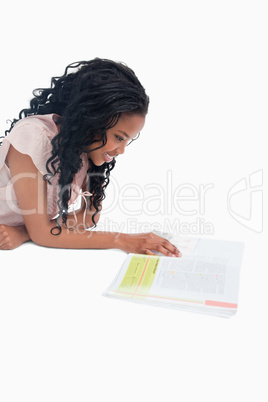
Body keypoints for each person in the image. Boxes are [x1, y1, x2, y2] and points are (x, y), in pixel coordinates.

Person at [0, 58, 181, 257]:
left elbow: (89, 217)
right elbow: (43, 234)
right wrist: (122, 240)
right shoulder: (33, 137)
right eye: (119, 137)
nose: (121, 151)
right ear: (91, 120)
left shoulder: (86, 153)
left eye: (127, 141)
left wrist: (24, 232)